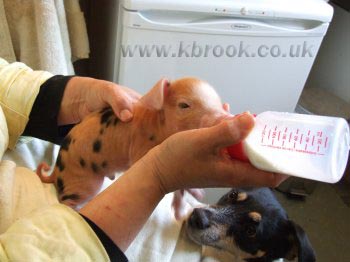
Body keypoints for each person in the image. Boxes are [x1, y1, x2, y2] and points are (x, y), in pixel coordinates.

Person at [0, 58, 286, 261]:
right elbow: (147, 168)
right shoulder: (147, 136)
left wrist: (74, 93)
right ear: (159, 98)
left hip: (76, 157)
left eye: (216, 109)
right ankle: (71, 202)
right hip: (71, 193)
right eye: (186, 107)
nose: (217, 119)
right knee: (86, 194)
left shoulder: (157, 123)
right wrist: (161, 177)